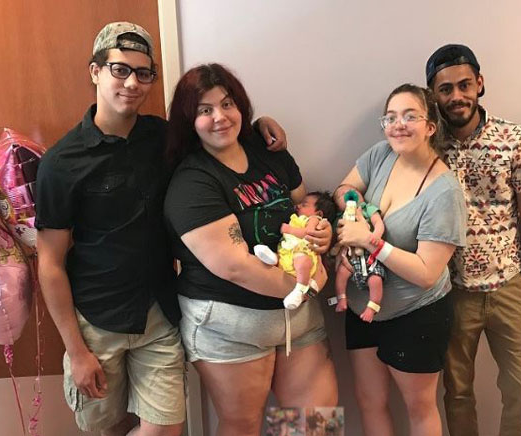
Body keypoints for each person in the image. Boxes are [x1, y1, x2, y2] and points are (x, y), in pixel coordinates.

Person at [35, 23, 287, 436]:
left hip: (266, 316)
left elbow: (221, 133)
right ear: (95, 71)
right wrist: (75, 350)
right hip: (114, 320)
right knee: (233, 423)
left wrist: (261, 127)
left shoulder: (166, 138)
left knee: (311, 409)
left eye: (143, 73)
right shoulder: (62, 164)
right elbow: (50, 263)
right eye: (120, 70)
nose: (132, 83)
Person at [163, 63, 337, 436]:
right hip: (230, 328)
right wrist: (306, 286)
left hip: (298, 320)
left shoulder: (268, 151)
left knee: (313, 424)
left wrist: (321, 234)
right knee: (243, 426)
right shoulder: (192, 182)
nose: (220, 117)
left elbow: (303, 206)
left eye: (227, 104)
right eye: (205, 110)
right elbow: (235, 266)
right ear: (189, 121)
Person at [425, 44, 521, 436]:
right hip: (451, 290)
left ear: (479, 83)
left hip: (509, 286)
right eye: (445, 89)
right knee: (457, 392)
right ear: (433, 95)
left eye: (464, 85)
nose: (456, 96)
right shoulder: (425, 145)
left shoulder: (516, 139)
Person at [334, 83, 467, 436]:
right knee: (369, 402)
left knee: (419, 408)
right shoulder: (381, 154)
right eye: (390, 118)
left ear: (431, 126)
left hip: (415, 313)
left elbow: (426, 273)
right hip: (363, 308)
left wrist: (370, 241)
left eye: (410, 116)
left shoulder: (445, 192)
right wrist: (356, 210)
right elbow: (343, 189)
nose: (398, 125)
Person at [254, 191, 338, 310]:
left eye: (304, 205)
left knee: (301, 260)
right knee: (282, 256)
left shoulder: (314, 220)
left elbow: (308, 233)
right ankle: (273, 259)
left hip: (304, 252)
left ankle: (300, 289)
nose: (298, 206)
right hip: (290, 250)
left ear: (319, 213)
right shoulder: (297, 219)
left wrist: (289, 229)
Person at [333, 189, 386, 322]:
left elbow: (378, 223)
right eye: (341, 195)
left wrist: (376, 235)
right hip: (350, 254)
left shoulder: (367, 208)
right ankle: (341, 298)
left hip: (369, 252)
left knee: (375, 279)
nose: (348, 192)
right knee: (341, 273)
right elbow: (337, 235)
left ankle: (372, 307)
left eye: (353, 189)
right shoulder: (341, 217)